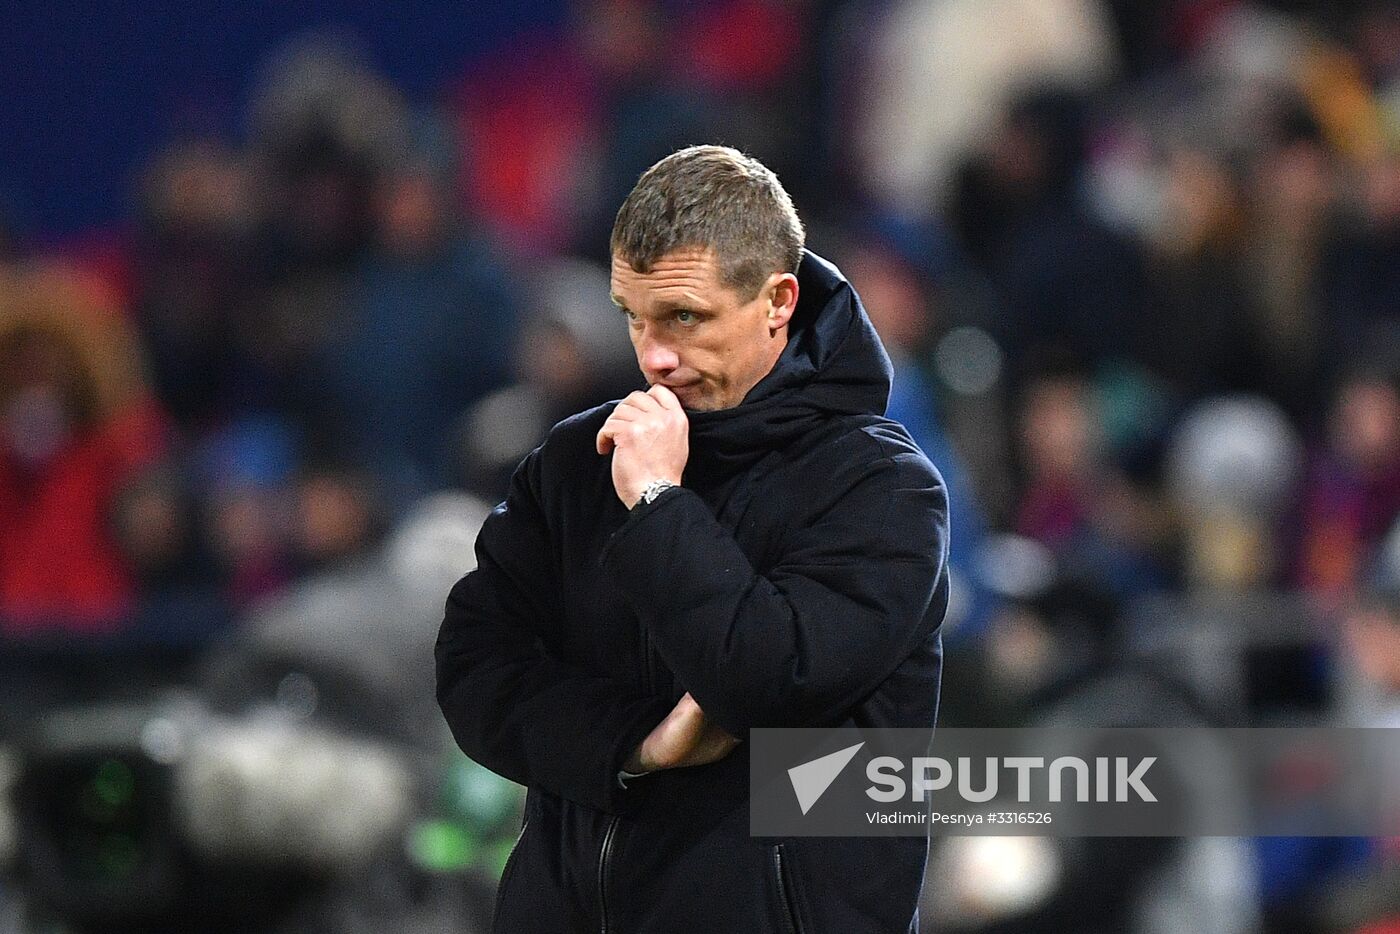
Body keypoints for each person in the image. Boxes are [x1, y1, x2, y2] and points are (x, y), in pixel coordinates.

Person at [435, 145, 950, 933]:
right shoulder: (578, 463)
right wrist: (633, 743)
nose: (653, 357)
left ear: (777, 301)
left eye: (684, 317)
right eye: (632, 317)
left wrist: (658, 500)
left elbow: (766, 681)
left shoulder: (881, 489)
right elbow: (473, 670)